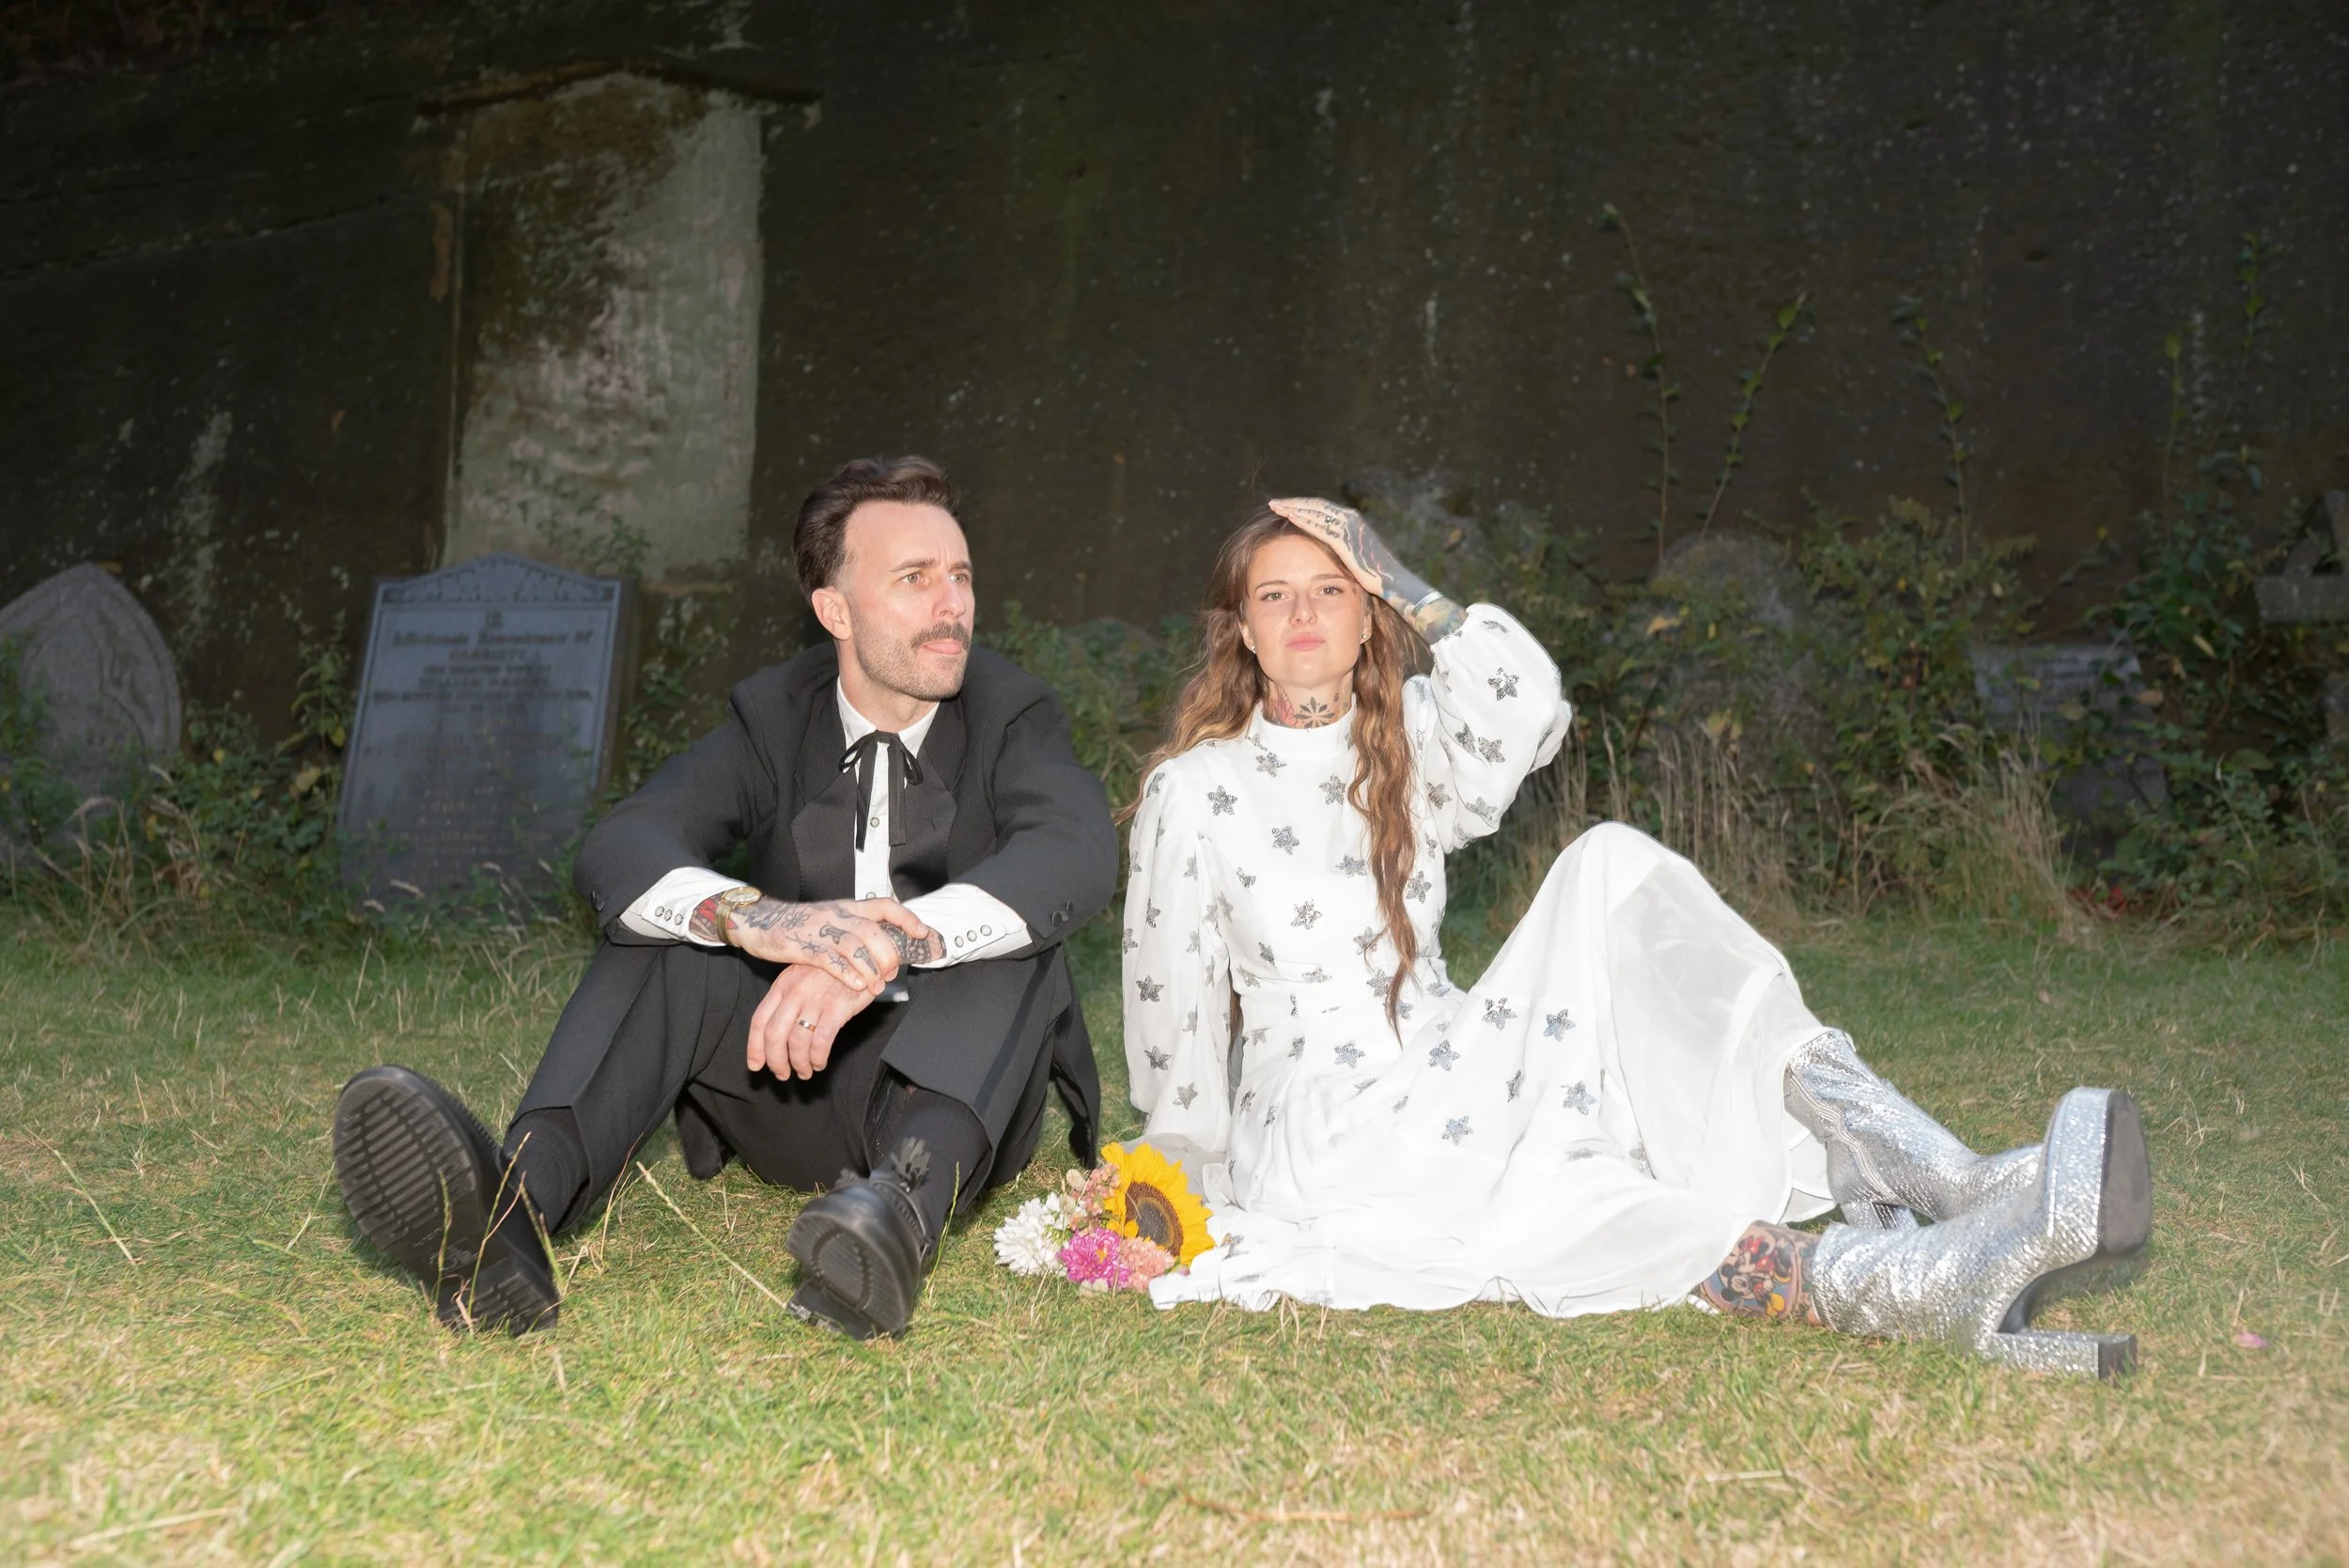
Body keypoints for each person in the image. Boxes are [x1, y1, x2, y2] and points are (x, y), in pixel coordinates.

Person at [1121, 498, 2152, 1377]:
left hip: (1452, 1054)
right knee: (1576, 1199)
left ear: (1369, 617)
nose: (1304, 611)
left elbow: (1523, 694)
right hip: (1328, 1122)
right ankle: (1910, 1284)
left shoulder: (1411, 741)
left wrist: (1390, 564)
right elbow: (1170, 1014)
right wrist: (1177, 1167)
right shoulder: (1194, 790)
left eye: (1332, 587)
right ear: (1242, 634)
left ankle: (1937, 1172)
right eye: (1273, 595)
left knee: (1610, 865)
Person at [332, 457, 1118, 1341]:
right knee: (668, 923)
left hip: (961, 1103)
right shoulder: (773, 717)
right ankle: (513, 1215)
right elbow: (623, 846)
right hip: (791, 1083)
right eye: (915, 577)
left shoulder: (1013, 714)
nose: (953, 604)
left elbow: (1075, 850)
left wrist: (889, 943)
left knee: (1004, 937)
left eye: (962, 575)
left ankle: (892, 1228)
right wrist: (767, 920)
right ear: (835, 609)